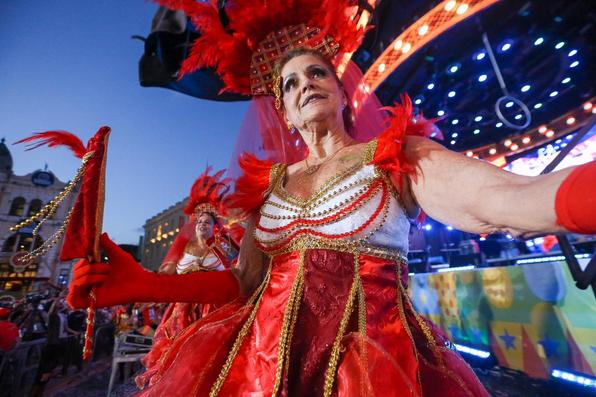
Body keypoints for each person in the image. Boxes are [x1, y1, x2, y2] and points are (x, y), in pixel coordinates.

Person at [66, 1, 596, 395]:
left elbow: (499, 198)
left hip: (372, 370)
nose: (304, 85)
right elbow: (247, 283)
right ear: (286, 112)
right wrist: (146, 284)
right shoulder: (265, 190)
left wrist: (575, 197)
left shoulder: (391, 156)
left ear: (343, 91)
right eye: (290, 85)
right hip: (257, 367)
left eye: (316, 72)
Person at [137, 168, 239, 389]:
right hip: (182, 312)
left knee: (212, 361)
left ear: (215, 226)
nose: (202, 224)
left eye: (207, 222)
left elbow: (241, 268)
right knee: (179, 363)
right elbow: (165, 276)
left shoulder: (224, 246)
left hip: (215, 310)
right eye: (199, 221)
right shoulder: (182, 248)